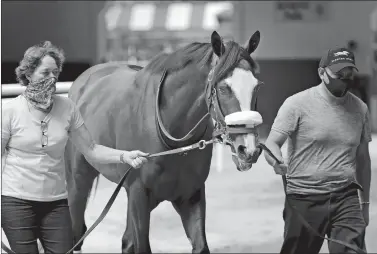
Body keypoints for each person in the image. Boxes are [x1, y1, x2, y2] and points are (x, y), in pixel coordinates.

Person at [1, 41, 149, 253]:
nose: (51, 78)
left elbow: (92, 149)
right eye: (45, 73)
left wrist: (125, 155)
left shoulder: (67, 108)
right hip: (16, 202)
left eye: (55, 72)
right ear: (29, 74)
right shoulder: (10, 111)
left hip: (56, 203)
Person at [264, 47, 372, 254]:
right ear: (322, 73)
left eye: (349, 74)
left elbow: (363, 159)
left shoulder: (360, 109)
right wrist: (276, 161)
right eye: (339, 75)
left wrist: (364, 204)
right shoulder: (296, 104)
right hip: (304, 197)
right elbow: (271, 143)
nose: (345, 80)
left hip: (346, 197)